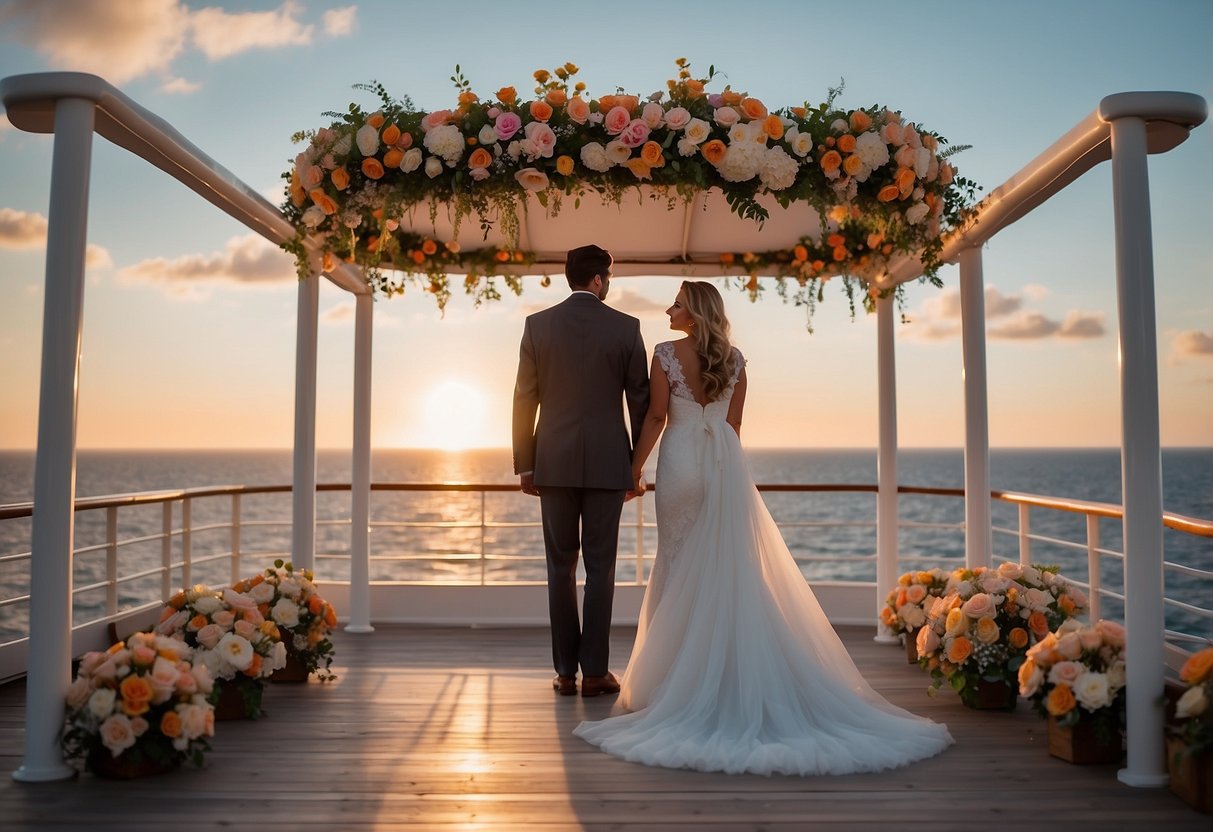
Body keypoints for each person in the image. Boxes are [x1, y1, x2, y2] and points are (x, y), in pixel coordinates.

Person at [573, 280, 953, 775]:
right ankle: (723, 675)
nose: (669, 310)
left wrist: (632, 469)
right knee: (727, 569)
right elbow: (734, 427)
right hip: (724, 465)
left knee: (677, 560)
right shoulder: (735, 359)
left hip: (683, 464)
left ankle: (672, 682)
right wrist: (727, 472)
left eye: (678, 304)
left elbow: (657, 417)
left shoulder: (666, 353)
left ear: (694, 311)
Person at [512, 244, 650, 698]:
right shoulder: (627, 328)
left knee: (560, 568)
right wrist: (635, 467)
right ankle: (595, 672)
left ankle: (564, 674)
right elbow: (641, 405)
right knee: (601, 570)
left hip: (551, 463)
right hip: (611, 466)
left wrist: (526, 464)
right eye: (607, 278)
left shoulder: (537, 325)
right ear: (598, 280)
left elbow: (523, 399)